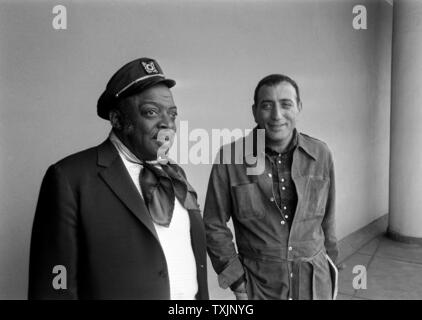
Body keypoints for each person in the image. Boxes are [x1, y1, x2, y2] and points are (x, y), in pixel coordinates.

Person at [28, 57, 208, 300]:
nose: (168, 124)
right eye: (151, 112)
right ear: (117, 119)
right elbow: (53, 292)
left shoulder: (175, 174)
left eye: (172, 114)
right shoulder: (69, 178)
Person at [204, 74, 339, 300]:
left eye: (286, 104)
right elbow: (213, 223)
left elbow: (328, 219)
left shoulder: (320, 154)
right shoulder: (230, 158)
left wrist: (331, 264)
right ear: (255, 111)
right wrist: (236, 281)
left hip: (314, 282)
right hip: (259, 286)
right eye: (267, 106)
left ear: (298, 107)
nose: (277, 115)